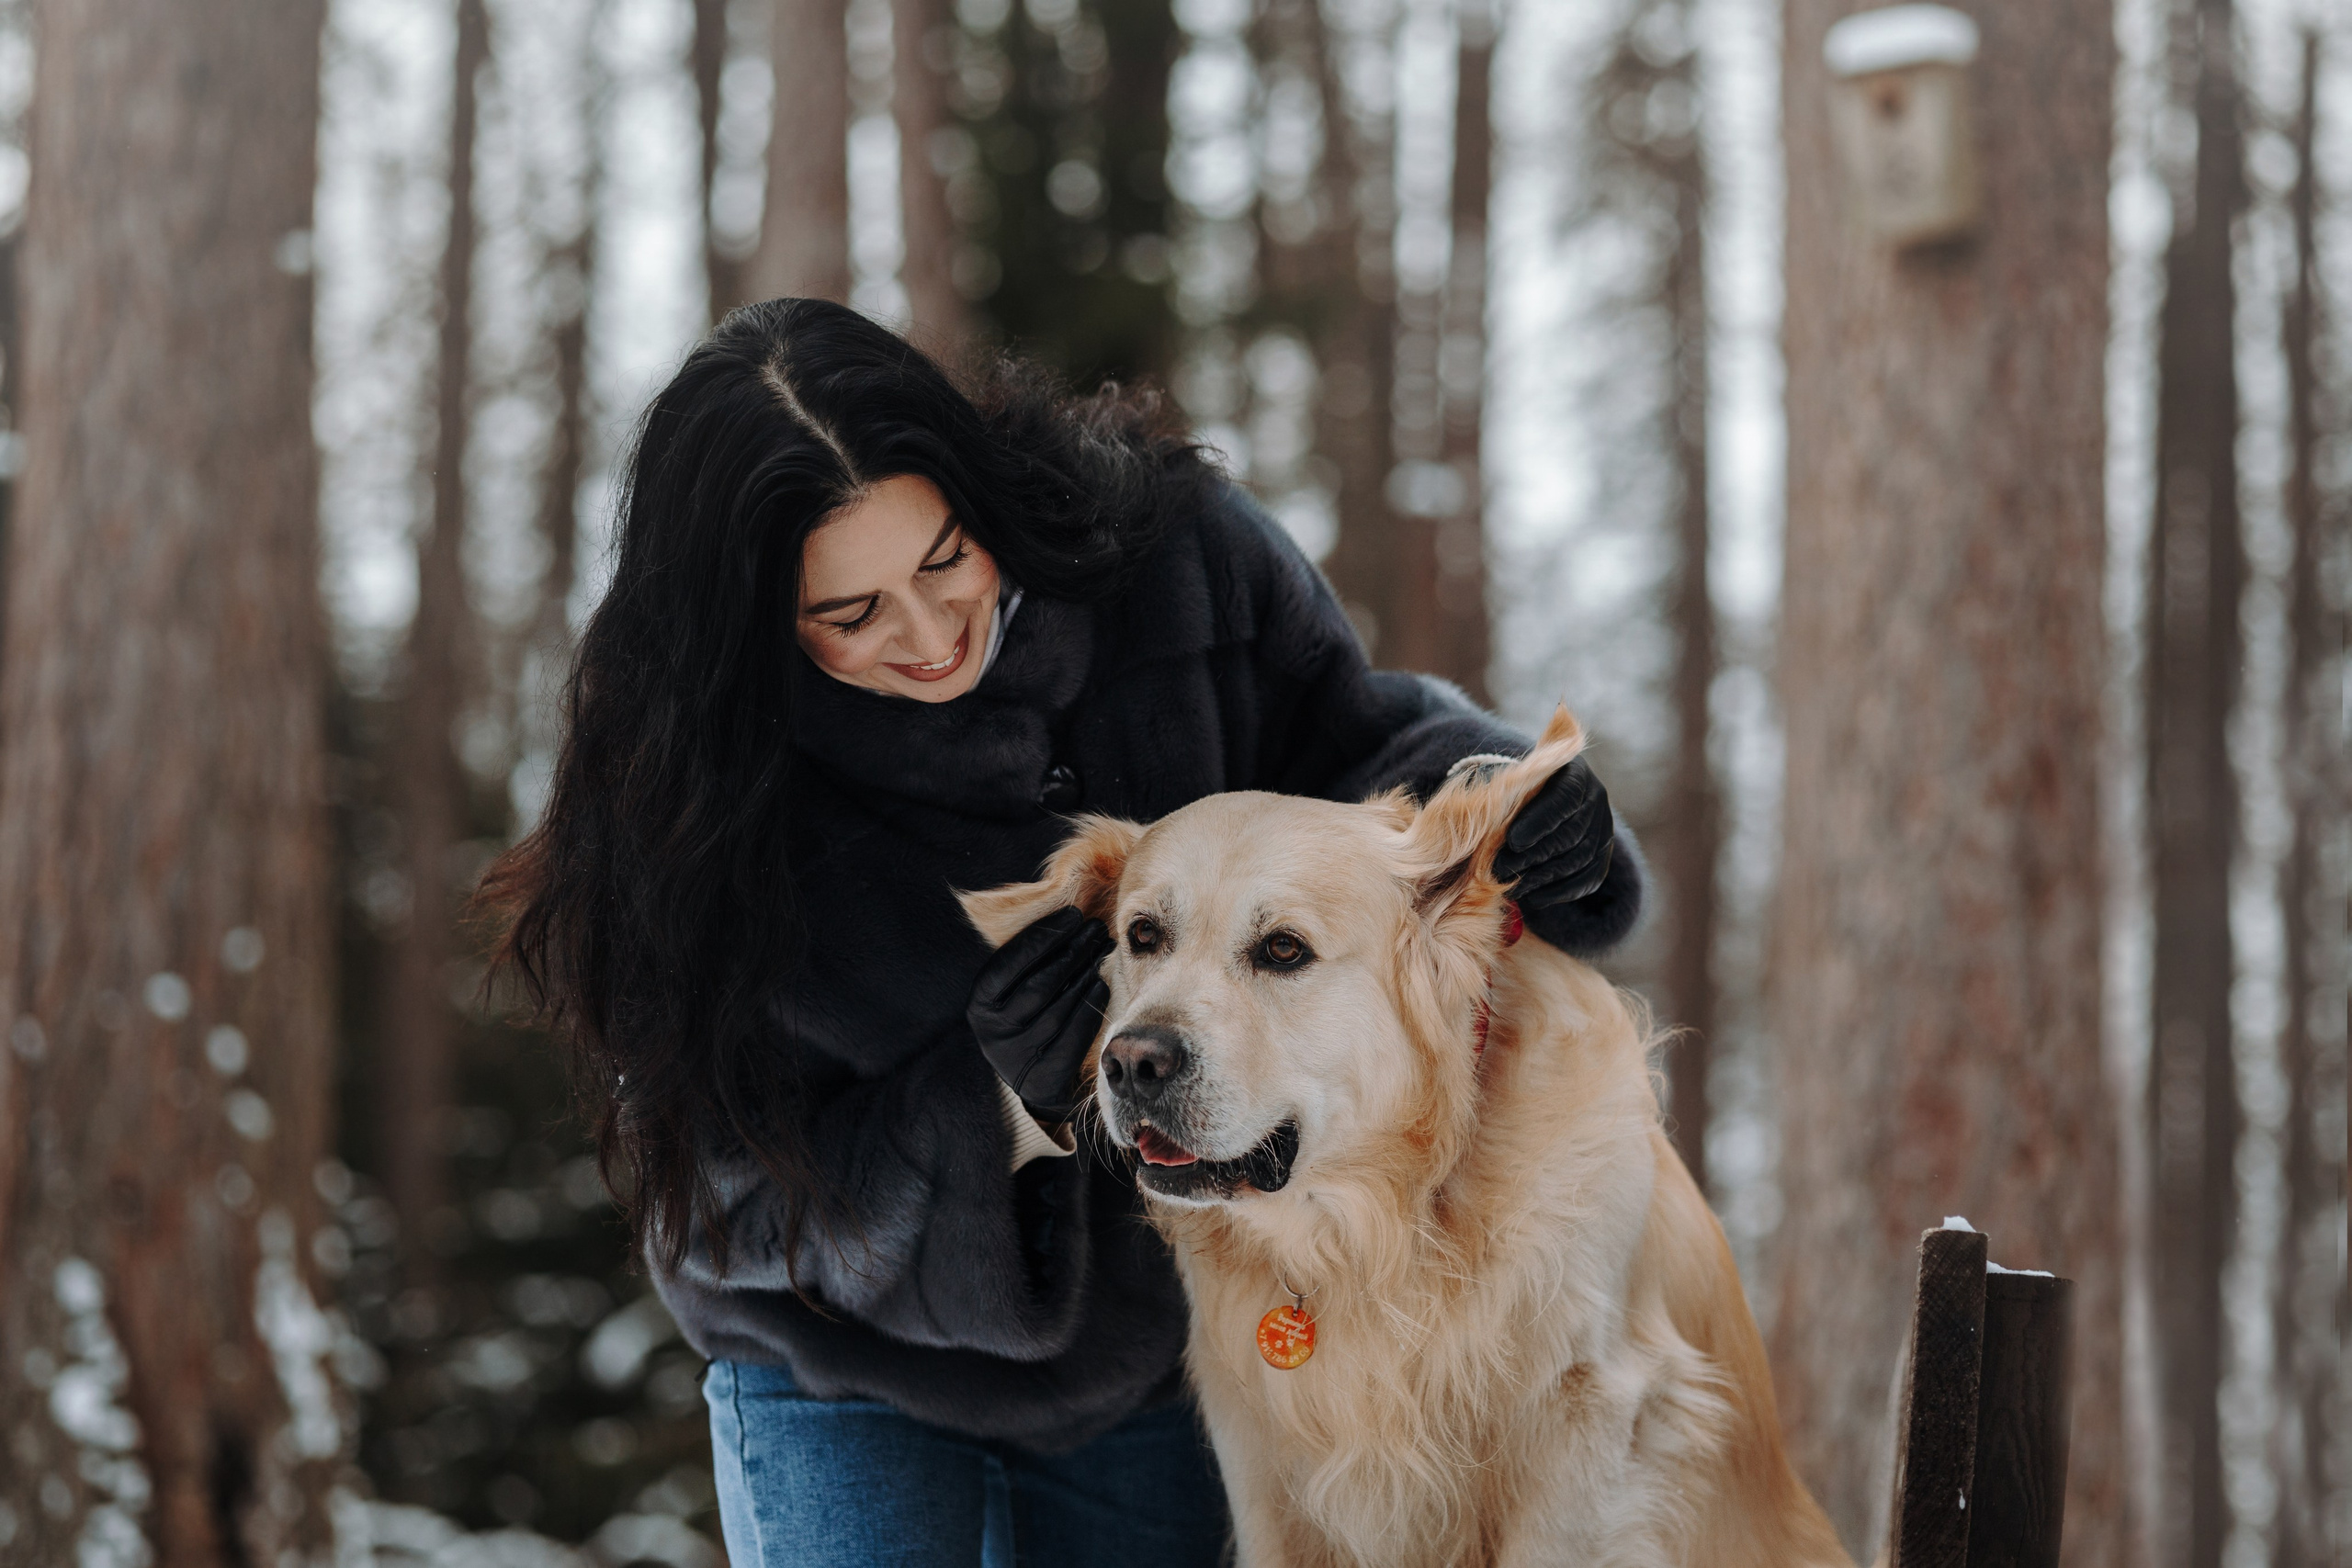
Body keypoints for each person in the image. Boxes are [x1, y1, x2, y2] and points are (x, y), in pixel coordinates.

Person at [484, 298, 1644, 1568]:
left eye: (942, 564)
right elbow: (723, 1197)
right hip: (841, 1379)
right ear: (753, 625)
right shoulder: (678, 780)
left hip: (1151, 1348)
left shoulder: (1176, 560)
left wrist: (1510, 810)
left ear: (980, 495)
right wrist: (1001, 1117)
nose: (927, 639)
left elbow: (1356, 756)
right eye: (851, 616)